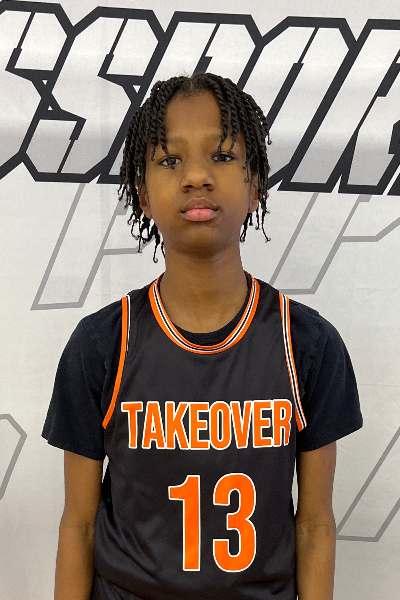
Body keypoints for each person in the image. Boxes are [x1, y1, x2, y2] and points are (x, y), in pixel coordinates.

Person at [42, 72, 363, 600]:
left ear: (255, 185)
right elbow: (78, 526)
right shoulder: (101, 345)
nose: (196, 176)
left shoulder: (306, 344)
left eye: (222, 156)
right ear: (143, 194)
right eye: (170, 160)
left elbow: (314, 526)